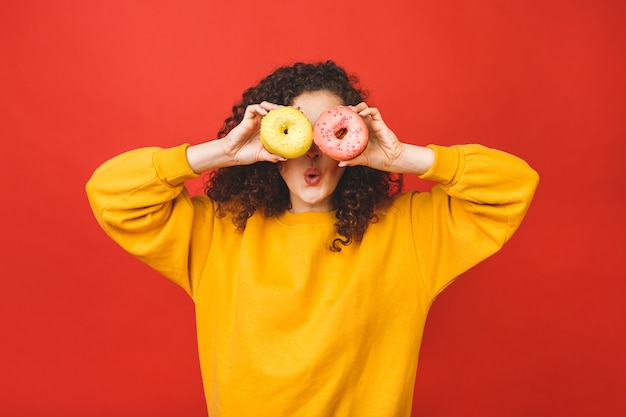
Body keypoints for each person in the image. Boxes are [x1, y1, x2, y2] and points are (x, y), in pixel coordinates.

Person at [86, 60, 539, 417]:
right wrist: (223, 151)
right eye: (298, 130)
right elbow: (110, 193)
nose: (313, 154)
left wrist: (403, 157)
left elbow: (512, 186)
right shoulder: (215, 233)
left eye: (331, 131)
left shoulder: (411, 232)